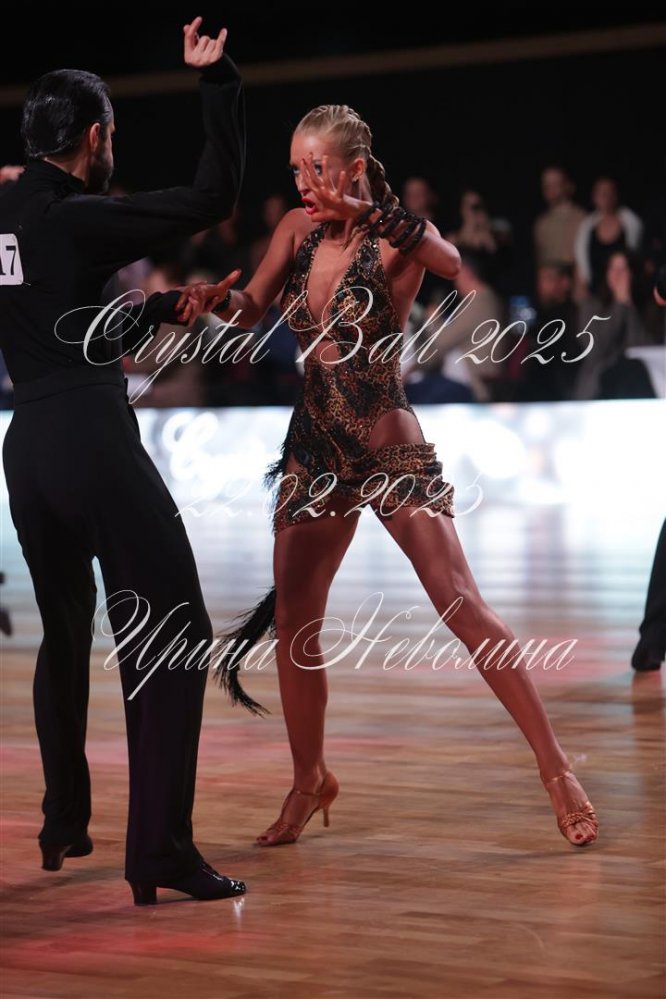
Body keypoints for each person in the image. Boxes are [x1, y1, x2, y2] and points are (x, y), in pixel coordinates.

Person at [199, 104, 599, 851]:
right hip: (314, 444)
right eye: (295, 168)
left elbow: (452, 264)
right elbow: (252, 309)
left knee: (460, 601)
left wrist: (381, 216)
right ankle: (308, 778)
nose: (304, 181)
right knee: (294, 621)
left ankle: (556, 768)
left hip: (384, 437)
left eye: (317, 168)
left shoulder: (396, 233)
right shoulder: (294, 230)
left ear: (352, 168)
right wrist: (220, 302)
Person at [0, 18, 247, 905]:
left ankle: (64, 815)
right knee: (172, 625)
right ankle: (160, 852)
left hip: (25, 448)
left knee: (65, 630)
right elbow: (213, 196)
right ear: (96, 137)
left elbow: (59, 317)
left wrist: (159, 308)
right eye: (113, 138)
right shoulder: (78, 215)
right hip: (90, 440)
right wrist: (218, 81)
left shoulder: (10, 212)